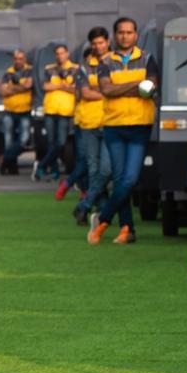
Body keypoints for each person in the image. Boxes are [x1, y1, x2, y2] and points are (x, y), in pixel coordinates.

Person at [87, 17, 159, 246]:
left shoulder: (147, 59)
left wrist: (124, 89)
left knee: (129, 180)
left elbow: (151, 88)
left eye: (129, 32)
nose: (125, 36)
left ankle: (103, 218)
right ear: (115, 36)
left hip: (140, 125)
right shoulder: (106, 61)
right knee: (119, 179)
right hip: (114, 127)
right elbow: (107, 90)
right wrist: (136, 86)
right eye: (121, 32)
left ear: (136, 35)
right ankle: (127, 229)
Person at [70, 28, 113, 227]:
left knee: (105, 170)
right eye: (94, 44)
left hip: (111, 121)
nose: (98, 47)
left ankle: (85, 205)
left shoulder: (116, 63)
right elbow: (86, 93)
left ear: (108, 42)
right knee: (94, 169)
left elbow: (117, 88)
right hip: (88, 124)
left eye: (101, 42)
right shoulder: (84, 68)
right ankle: (101, 213)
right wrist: (107, 90)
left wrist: (101, 89)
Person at [39, 44, 78, 187]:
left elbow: (76, 89)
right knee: (51, 142)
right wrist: (64, 86)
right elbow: (45, 86)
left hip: (65, 110)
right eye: (57, 53)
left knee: (61, 143)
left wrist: (57, 86)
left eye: (62, 53)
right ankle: (54, 171)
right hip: (50, 109)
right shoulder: (49, 68)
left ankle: (42, 165)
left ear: (67, 54)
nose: (60, 56)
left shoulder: (75, 69)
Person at [0, 49, 36, 175]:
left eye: (21, 58)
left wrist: (12, 88)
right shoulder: (8, 73)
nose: (18, 61)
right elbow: (3, 92)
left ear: (24, 59)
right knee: (8, 140)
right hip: (9, 111)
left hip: (25, 111)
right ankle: (12, 168)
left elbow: (29, 86)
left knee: (23, 139)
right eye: (16, 58)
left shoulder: (30, 71)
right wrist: (21, 88)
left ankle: (6, 159)